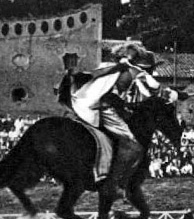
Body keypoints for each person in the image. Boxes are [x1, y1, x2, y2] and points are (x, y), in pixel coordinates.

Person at [64, 43, 179, 195]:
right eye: (151, 68)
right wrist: (176, 94)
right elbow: (155, 90)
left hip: (88, 105)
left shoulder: (109, 66)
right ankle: (116, 184)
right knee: (133, 145)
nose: (152, 71)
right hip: (106, 109)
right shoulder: (138, 73)